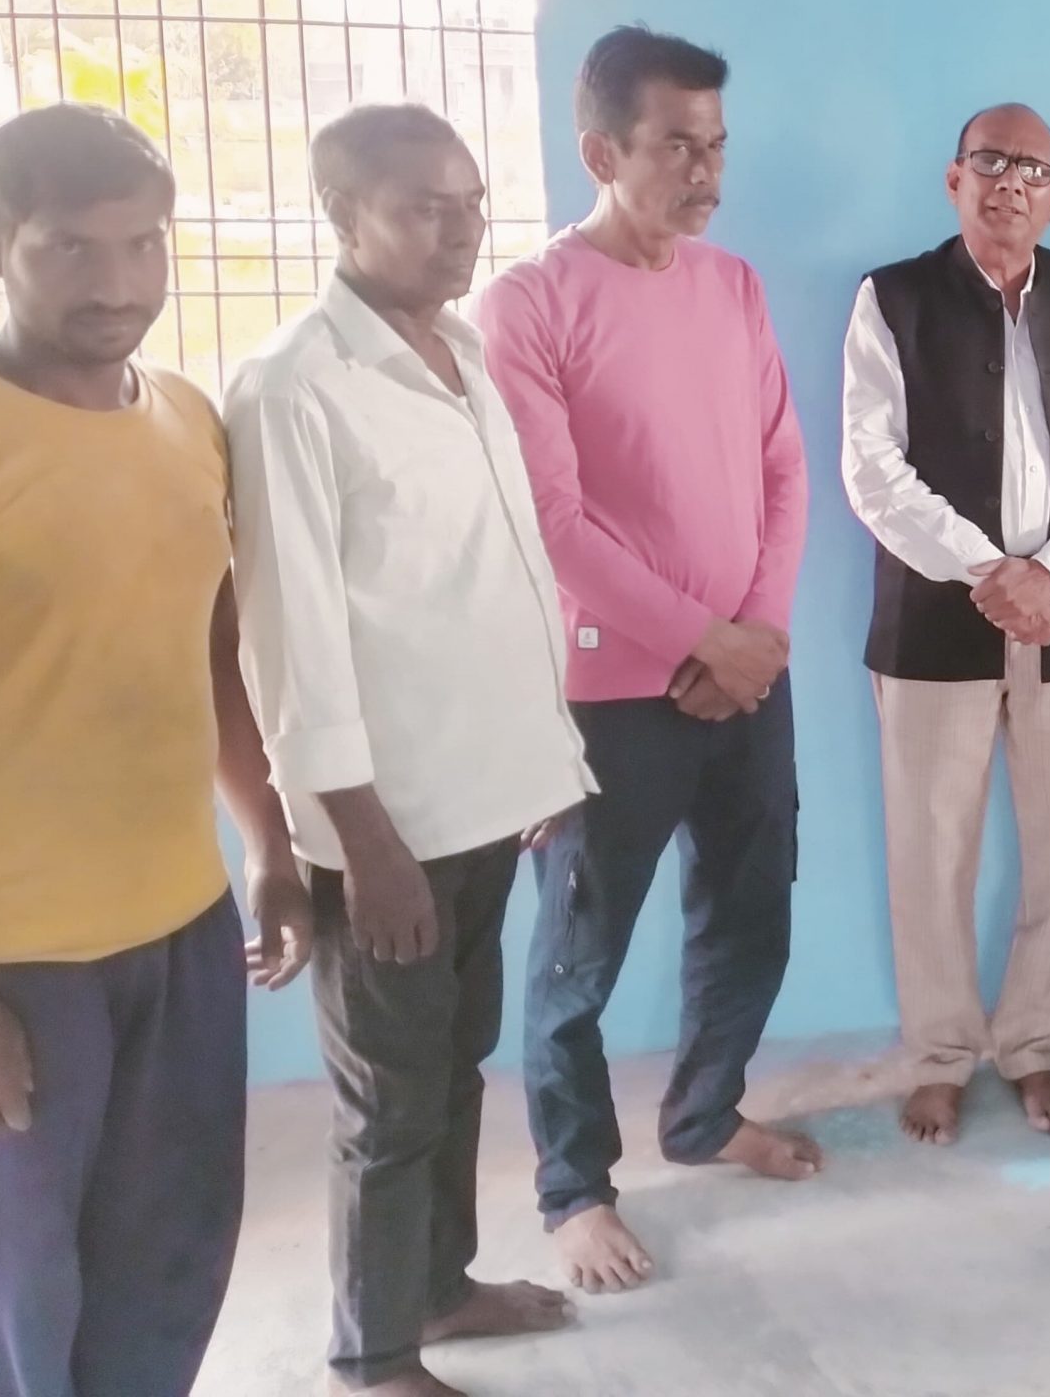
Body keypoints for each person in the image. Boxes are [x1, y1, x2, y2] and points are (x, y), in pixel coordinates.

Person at [228, 104, 596, 1396]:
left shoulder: (459, 350)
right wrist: (362, 842)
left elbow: (490, 579)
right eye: (424, 207)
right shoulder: (295, 387)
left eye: (471, 202)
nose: (460, 230)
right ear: (342, 215)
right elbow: (293, 639)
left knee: (452, 1065)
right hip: (386, 827)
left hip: (484, 793)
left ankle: (440, 1285)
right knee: (388, 1101)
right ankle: (375, 1354)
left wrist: (538, 764)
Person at [0, 105, 311, 1397]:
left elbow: (212, 650)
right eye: (71, 247)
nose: (117, 284)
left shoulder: (184, 419)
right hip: (14, 956)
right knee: (17, 1294)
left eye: (143, 245)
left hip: (179, 923)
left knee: (170, 1259)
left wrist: (267, 840)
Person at [478, 28, 817, 1296]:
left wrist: (756, 633)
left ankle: (704, 1111)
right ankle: (573, 1186)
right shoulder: (528, 304)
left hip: (748, 672)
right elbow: (553, 520)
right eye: (676, 145)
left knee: (752, 907)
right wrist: (702, 638)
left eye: (716, 143)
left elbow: (783, 465)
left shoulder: (732, 285)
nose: (705, 170)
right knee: (578, 954)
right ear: (600, 150)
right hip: (610, 693)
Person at [842, 102, 1050, 1146]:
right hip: (934, 618)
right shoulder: (891, 299)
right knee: (930, 847)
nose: (1009, 182)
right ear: (954, 179)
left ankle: (1035, 1046)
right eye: (989, 161)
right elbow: (870, 466)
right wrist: (991, 573)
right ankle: (939, 1056)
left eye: (1031, 168)